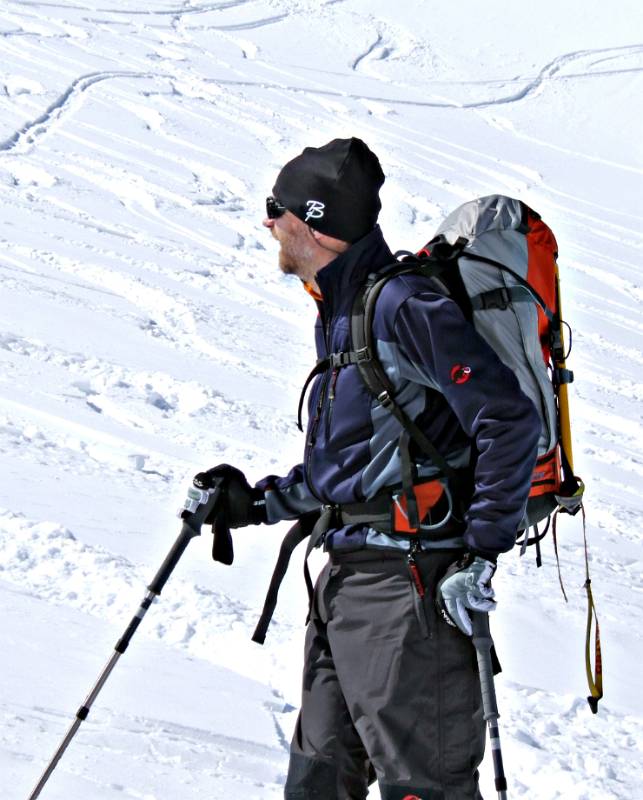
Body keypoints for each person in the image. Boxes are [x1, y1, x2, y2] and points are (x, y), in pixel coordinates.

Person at [194, 138, 541, 800]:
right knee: (318, 784)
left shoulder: (403, 307)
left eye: (279, 208)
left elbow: (507, 419)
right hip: (346, 586)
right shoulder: (341, 312)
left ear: (315, 224)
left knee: (425, 787)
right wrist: (252, 505)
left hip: (407, 594)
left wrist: (481, 551)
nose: (267, 221)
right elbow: (353, 468)